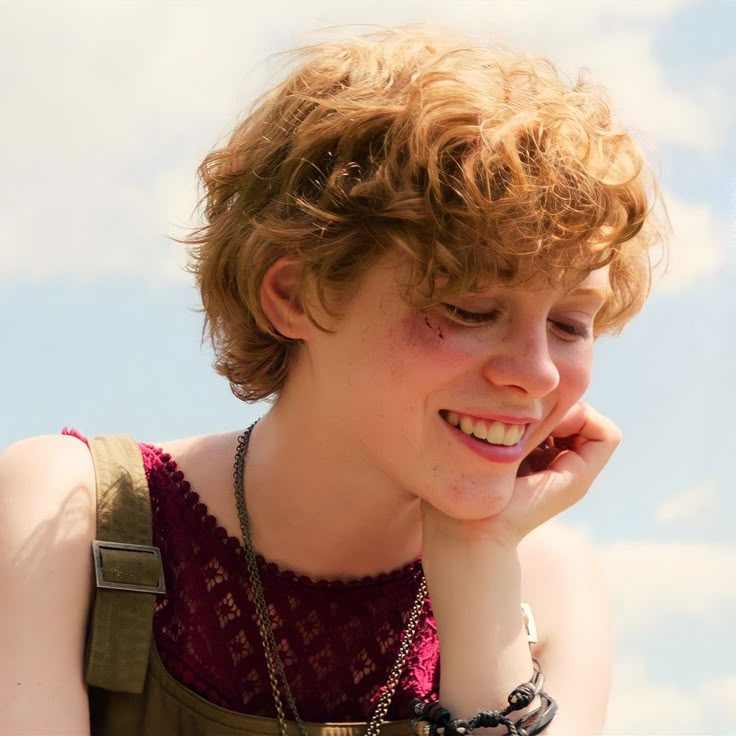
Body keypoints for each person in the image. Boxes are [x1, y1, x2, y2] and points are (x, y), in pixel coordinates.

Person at [1, 25, 661, 736]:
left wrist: (479, 562)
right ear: (294, 297)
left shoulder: (552, 585)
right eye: (471, 309)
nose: (535, 374)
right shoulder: (71, 513)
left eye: (569, 324)